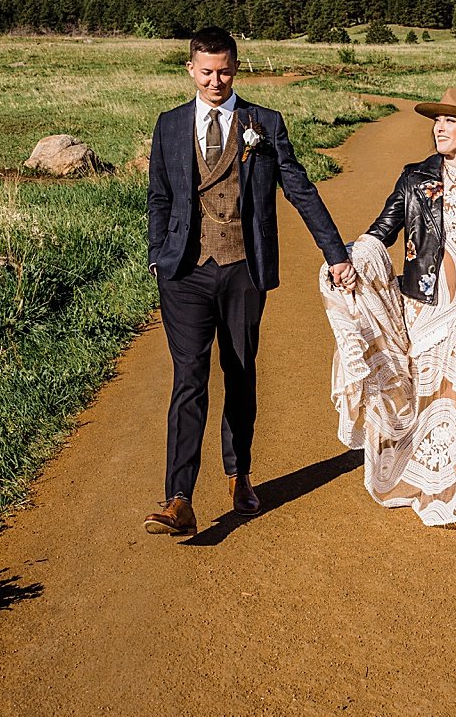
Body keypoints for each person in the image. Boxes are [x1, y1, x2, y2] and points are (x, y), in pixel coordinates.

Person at [144, 27, 357, 537]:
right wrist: (157, 254)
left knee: (239, 375)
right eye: (206, 71)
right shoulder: (170, 125)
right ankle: (179, 498)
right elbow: (159, 195)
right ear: (190, 70)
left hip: (244, 270)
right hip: (184, 274)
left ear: (236, 70)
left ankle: (239, 475)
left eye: (225, 71)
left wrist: (336, 254)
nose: (216, 80)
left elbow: (300, 190)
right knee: (188, 382)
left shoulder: (264, 123)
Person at [323, 86, 456, 537]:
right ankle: (434, 485)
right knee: (434, 397)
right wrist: (347, 259)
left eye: (451, 121)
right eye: (438, 120)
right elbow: (383, 230)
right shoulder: (414, 179)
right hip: (429, 307)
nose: (440, 128)